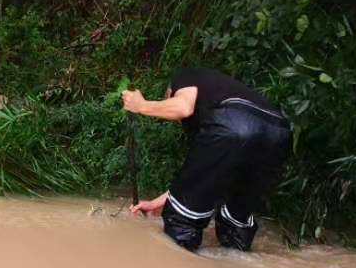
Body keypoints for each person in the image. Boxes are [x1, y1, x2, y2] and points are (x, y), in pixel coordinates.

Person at [122, 68, 291, 252]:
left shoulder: (185, 76)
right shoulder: (217, 102)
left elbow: (183, 108)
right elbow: (200, 176)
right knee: (235, 220)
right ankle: (235, 264)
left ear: (169, 93)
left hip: (234, 122)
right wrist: (157, 203)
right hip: (279, 133)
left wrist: (142, 106)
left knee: (181, 221)